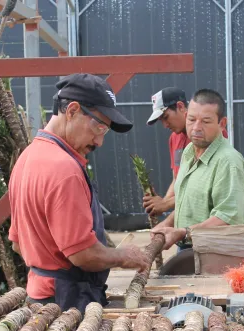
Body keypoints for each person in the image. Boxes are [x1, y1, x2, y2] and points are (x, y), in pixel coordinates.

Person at [8, 73, 150, 312]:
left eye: (105, 131)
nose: (99, 141)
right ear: (72, 110)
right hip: (67, 303)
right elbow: (84, 255)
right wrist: (123, 256)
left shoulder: (27, 158)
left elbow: (17, 243)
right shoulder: (64, 169)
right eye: (99, 126)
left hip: (39, 298)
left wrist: (46, 260)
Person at [153, 89, 244, 265]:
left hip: (221, 257)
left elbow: (227, 218)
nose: (196, 128)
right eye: (191, 120)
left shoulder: (228, 161)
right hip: (191, 249)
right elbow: (188, 203)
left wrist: (182, 232)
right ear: (186, 116)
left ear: (222, 124)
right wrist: (166, 224)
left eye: (206, 121)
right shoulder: (188, 152)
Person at [142, 87, 190, 217]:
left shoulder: (206, 135)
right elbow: (177, 179)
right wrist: (161, 204)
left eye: (166, 117)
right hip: (185, 214)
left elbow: (204, 188)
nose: (165, 125)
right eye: (161, 121)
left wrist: (166, 203)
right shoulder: (174, 138)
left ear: (180, 107)